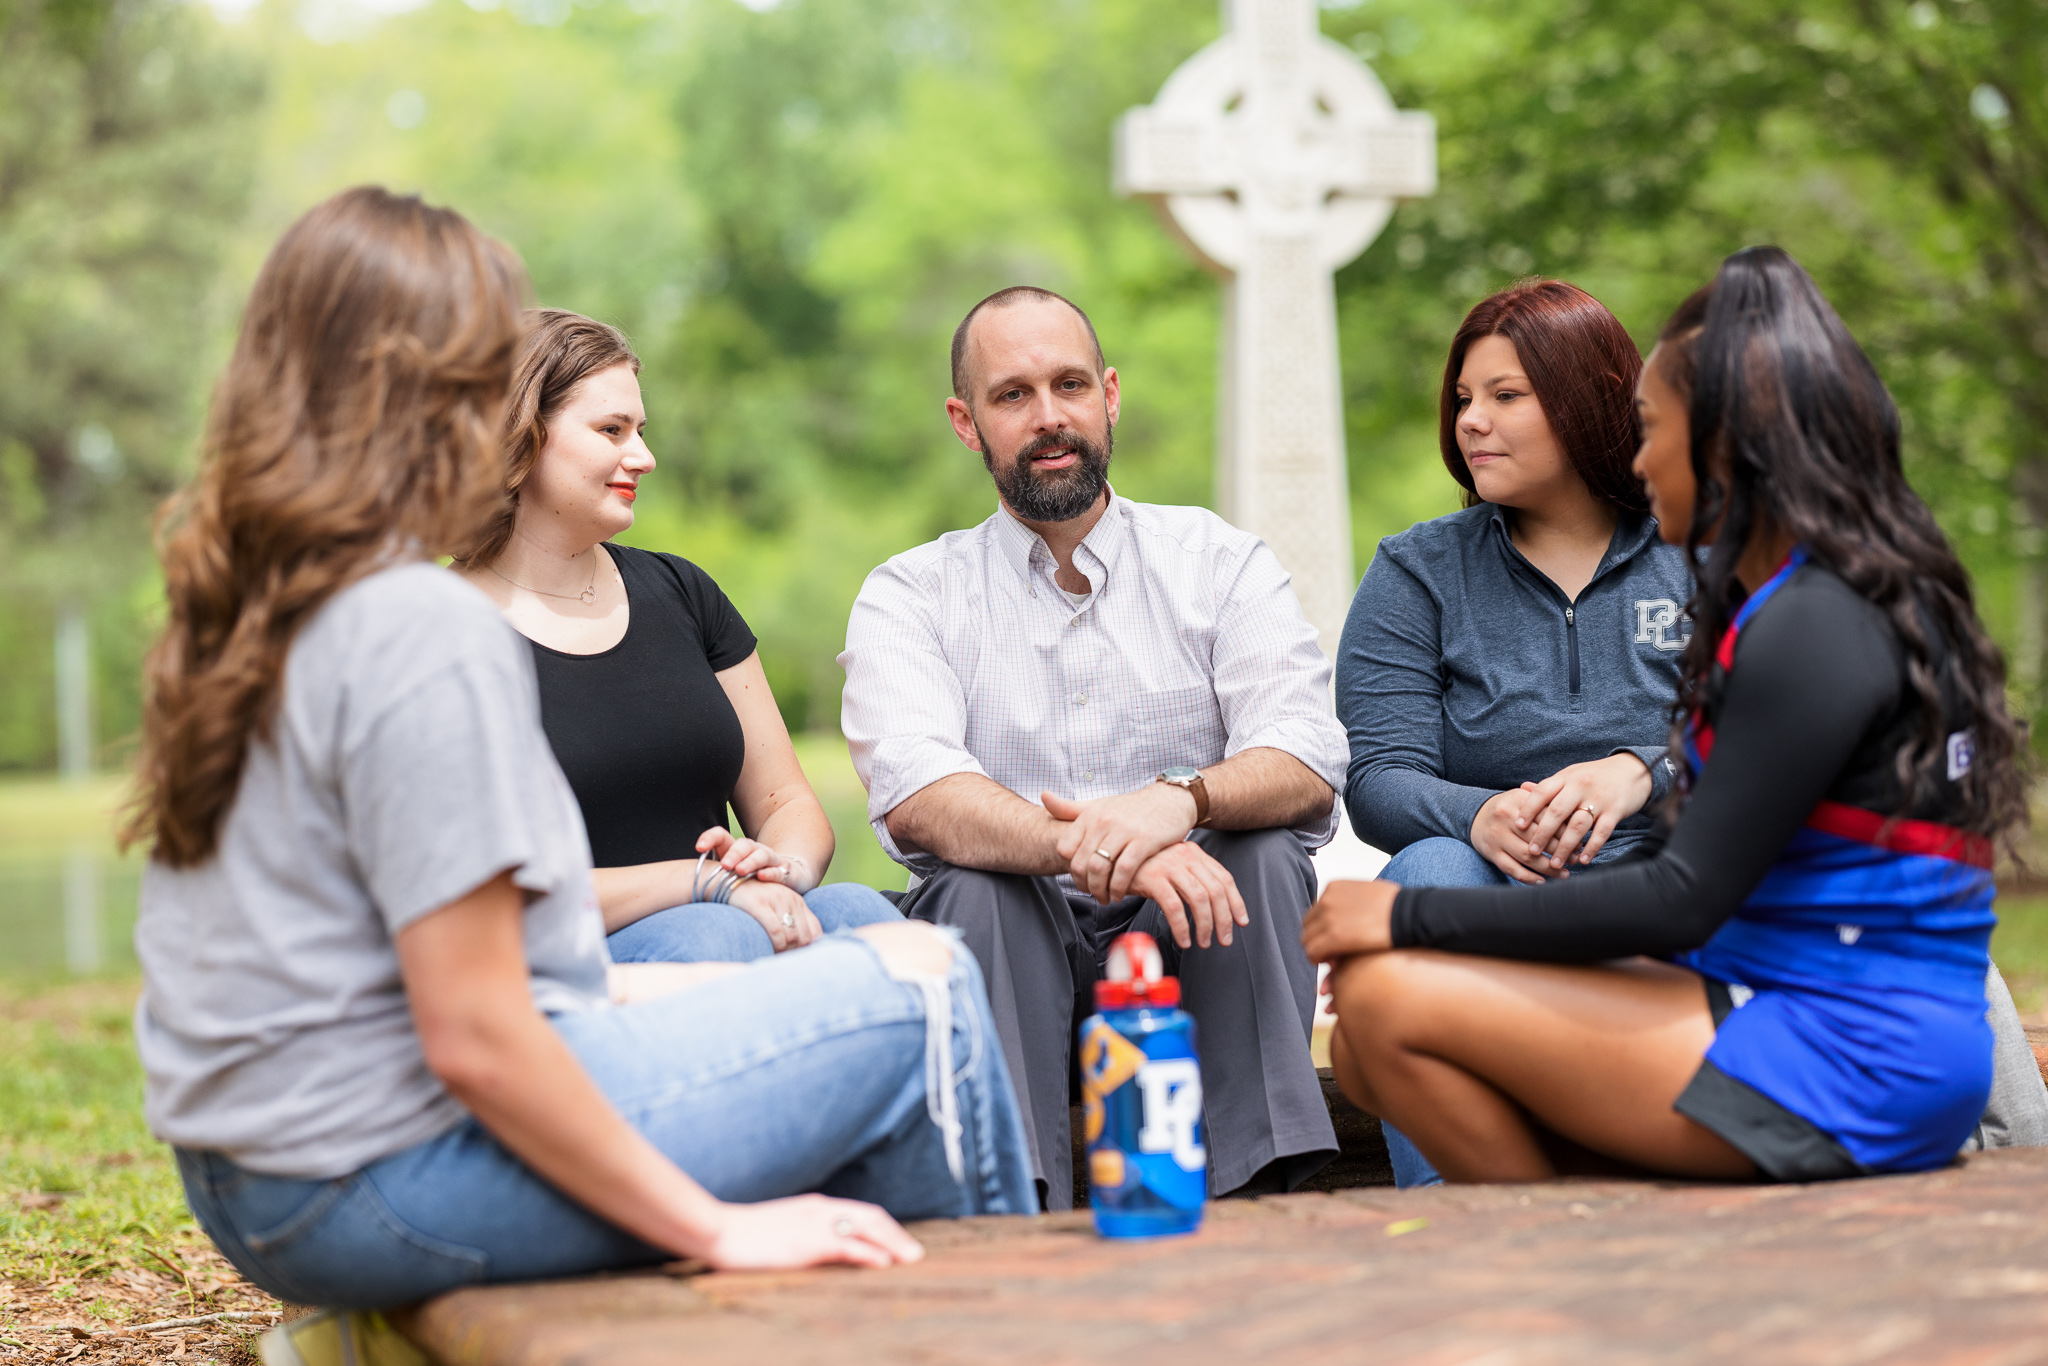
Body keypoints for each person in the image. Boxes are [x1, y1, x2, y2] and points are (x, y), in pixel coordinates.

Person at [127, 188, 1034, 1328]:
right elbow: (475, 1033)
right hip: (378, 1174)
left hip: (257, 1173)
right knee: (927, 989)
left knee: (845, 953)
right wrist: (716, 1228)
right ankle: (1006, 1333)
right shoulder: (420, 625)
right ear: (440, 393)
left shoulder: (258, 603)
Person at [1305, 246, 2030, 1183]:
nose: (1638, 460)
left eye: (1650, 429)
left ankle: (1567, 1264)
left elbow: (1684, 892)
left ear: (1724, 444)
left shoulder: (1813, 623)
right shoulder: (1809, 599)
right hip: (1785, 996)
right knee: (1371, 1036)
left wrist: (1407, 921)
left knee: (1392, 1007)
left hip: (1849, 1054)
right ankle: (1571, 1238)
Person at [840, 286, 1349, 1209]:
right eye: (1012, 395)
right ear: (966, 422)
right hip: (1014, 944)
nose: (1049, 417)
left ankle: (1259, 1203)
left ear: (1109, 394)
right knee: (975, 883)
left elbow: (1308, 757)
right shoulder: (910, 593)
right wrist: (1107, 846)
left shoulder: (1218, 562)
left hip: (1190, 940)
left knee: (1265, 851)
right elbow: (917, 792)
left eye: (1069, 384)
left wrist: (1178, 804)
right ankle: (1012, 1214)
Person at [1335, 279, 1694, 1187]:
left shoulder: (1698, 551)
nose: (1470, 423)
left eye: (1505, 396)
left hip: (1677, 879)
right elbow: (1378, 779)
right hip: (1491, 890)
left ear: (1586, 400)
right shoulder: (1417, 572)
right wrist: (1480, 815)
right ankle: (1456, 1214)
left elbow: (1775, 734)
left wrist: (1638, 771)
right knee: (1422, 870)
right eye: (1463, 399)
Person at [457, 310, 900, 963]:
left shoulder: (684, 594)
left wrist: (781, 867)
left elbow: (785, 801)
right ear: (518, 435)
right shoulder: (444, 634)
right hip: (572, 964)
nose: (644, 456)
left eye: (640, 430)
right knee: (714, 937)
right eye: (611, 430)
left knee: (868, 916)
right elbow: (480, 897)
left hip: (732, 921)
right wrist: (704, 885)